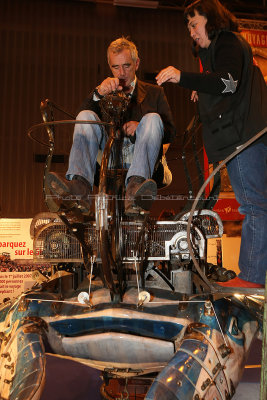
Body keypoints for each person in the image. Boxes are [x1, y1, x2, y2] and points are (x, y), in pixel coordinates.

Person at [156, 0, 267, 288]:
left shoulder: (227, 41)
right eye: (188, 27)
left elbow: (228, 83)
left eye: (194, 23)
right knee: (259, 205)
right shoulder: (221, 50)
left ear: (211, 19)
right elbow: (225, 83)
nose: (191, 31)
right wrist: (202, 86)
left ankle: (252, 278)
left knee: (254, 206)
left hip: (244, 137)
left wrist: (183, 77)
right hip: (248, 134)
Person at [47, 37, 175, 216]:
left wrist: (141, 128)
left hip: (140, 152)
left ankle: (135, 189)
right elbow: (80, 120)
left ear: (137, 64)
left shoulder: (155, 93)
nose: (121, 72)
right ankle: (79, 188)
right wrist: (98, 93)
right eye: (116, 67)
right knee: (85, 116)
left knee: (153, 118)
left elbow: (170, 133)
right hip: (109, 153)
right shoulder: (103, 91)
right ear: (110, 66)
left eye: (127, 66)